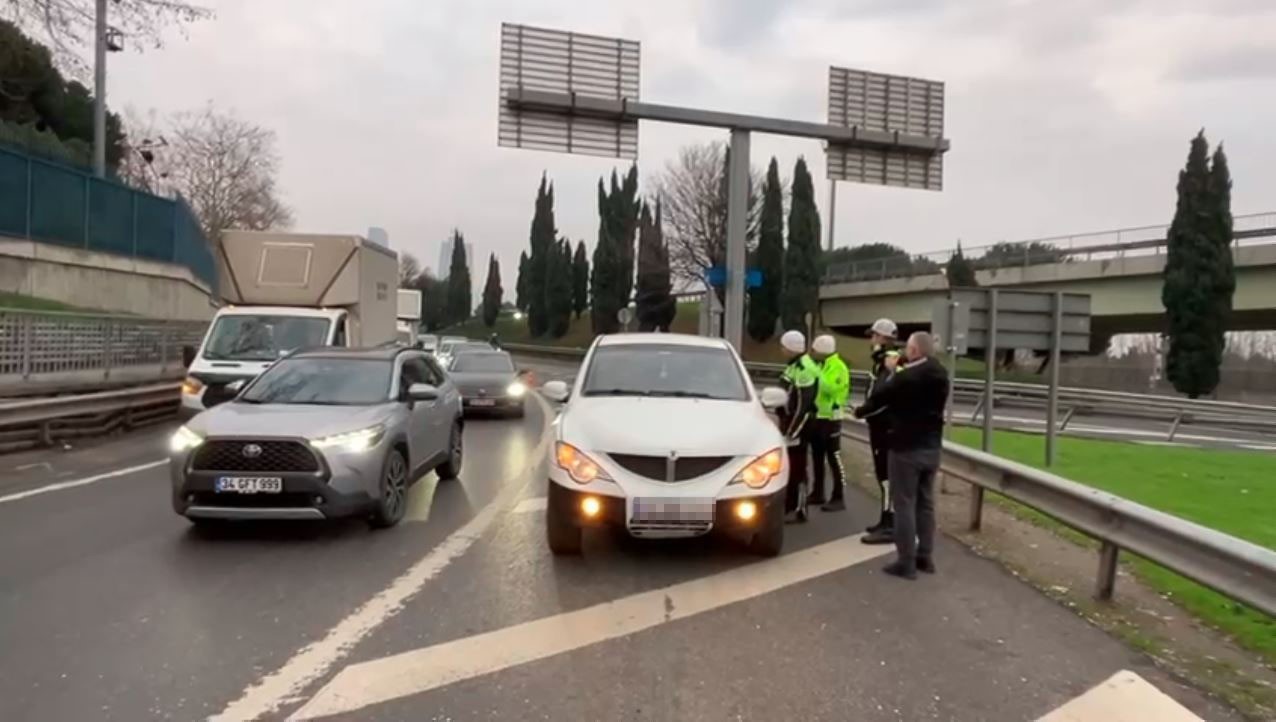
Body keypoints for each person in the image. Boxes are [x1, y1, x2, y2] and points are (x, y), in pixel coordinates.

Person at [854, 332, 949, 580]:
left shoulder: (905, 378)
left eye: (908, 348)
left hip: (906, 446)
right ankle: (925, 555)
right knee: (925, 503)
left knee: (904, 503)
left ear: (915, 351)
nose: (904, 352)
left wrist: (891, 372)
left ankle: (906, 561)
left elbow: (881, 396)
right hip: (932, 446)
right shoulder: (940, 373)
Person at [861, 318, 901, 544]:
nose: (871, 340)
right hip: (879, 427)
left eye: (874, 336)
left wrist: (863, 411)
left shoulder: (890, 363)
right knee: (882, 476)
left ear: (883, 339)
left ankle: (890, 524)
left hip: (886, 428)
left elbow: (884, 398)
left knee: (887, 477)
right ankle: (885, 519)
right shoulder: (881, 363)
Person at [777, 329, 820, 523]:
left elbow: (804, 405)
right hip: (791, 422)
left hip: (800, 425)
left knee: (797, 467)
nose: (781, 349)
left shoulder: (804, 368)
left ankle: (797, 509)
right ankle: (791, 505)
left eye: (783, 346)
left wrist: (792, 432)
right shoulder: (794, 365)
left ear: (791, 348)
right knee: (792, 466)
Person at [809, 334, 850, 511]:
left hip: (832, 418)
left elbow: (831, 388)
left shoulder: (838, 367)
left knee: (834, 458)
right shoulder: (822, 365)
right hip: (818, 417)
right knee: (817, 456)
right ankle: (818, 492)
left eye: (814, 350)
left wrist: (816, 374)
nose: (812, 353)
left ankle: (839, 496)